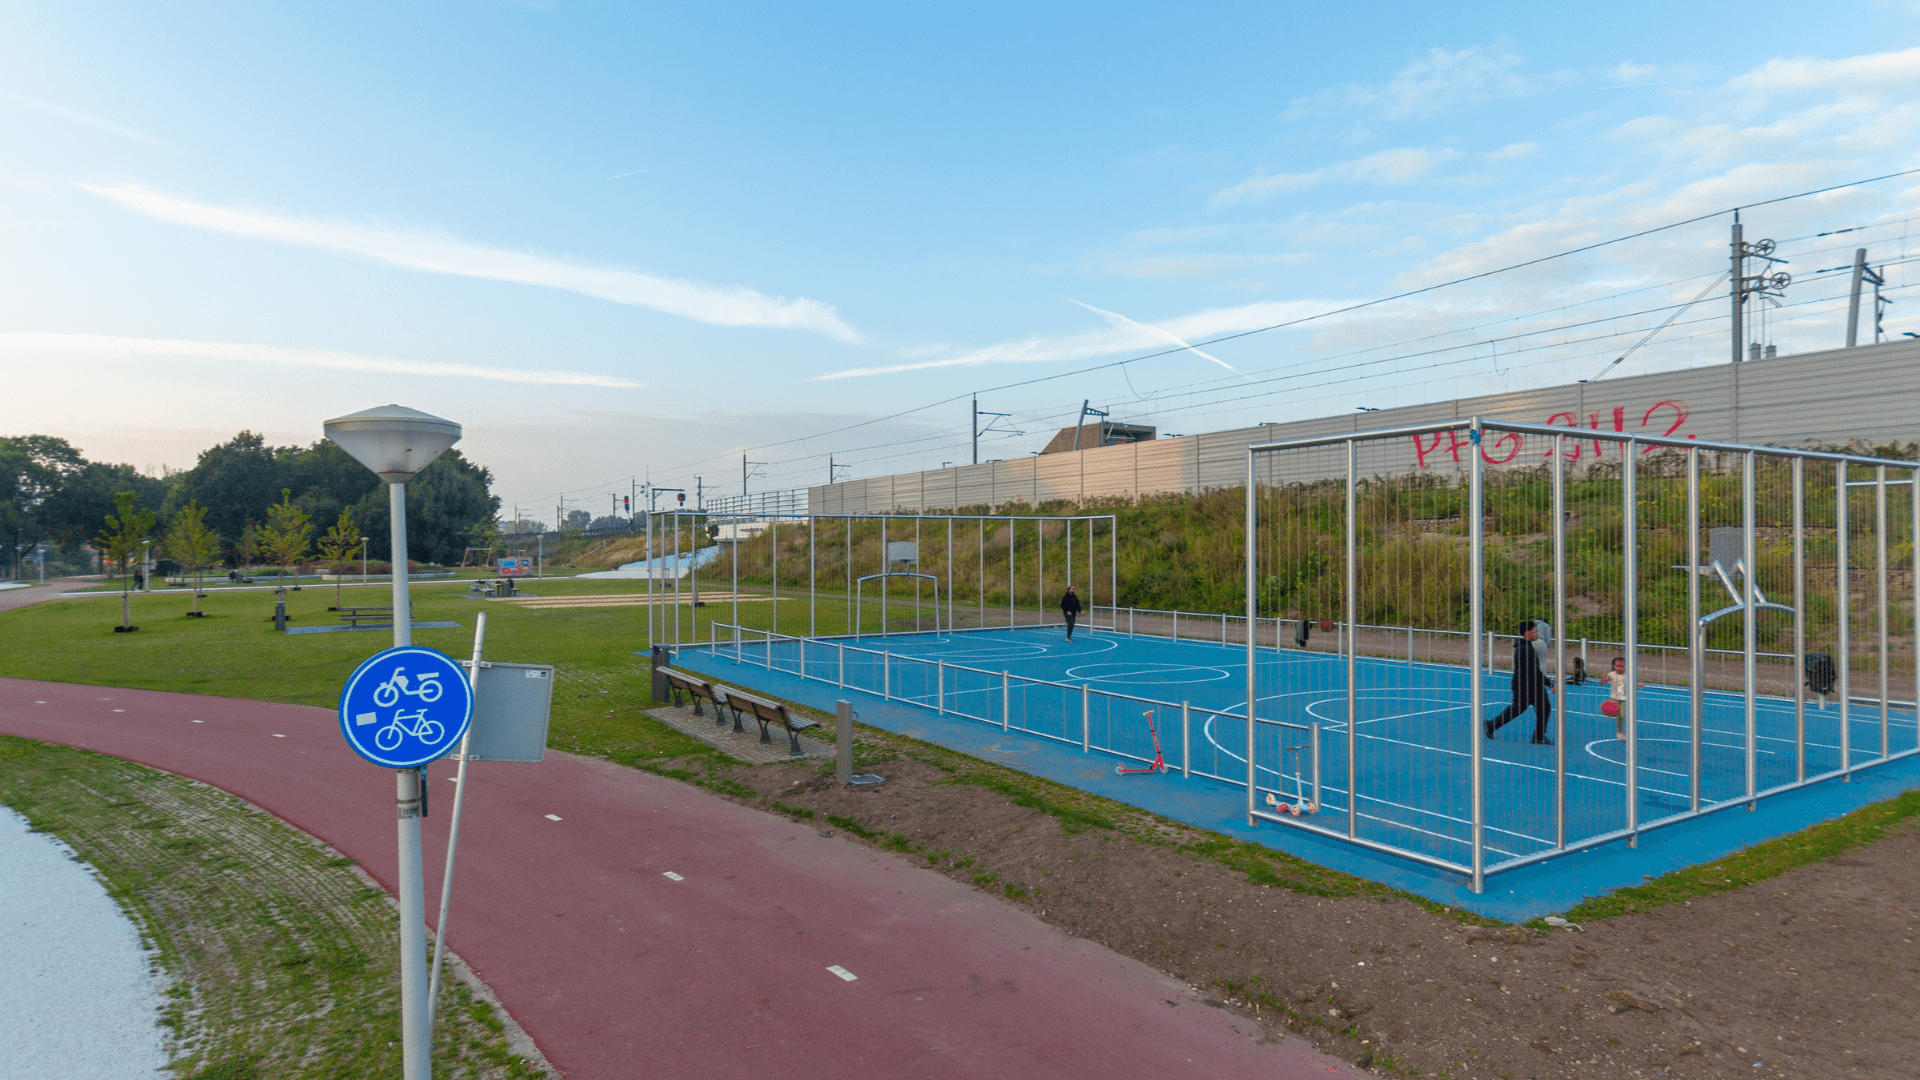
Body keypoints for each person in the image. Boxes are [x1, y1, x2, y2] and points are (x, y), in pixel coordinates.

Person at [1485, 621, 1553, 745]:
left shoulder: (1526, 646)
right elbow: (1534, 672)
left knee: (1544, 708)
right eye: (1535, 630)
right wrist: (1550, 684)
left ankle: (1538, 736)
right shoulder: (1525, 649)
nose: (1537, 633)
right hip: (1524, 686)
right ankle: (1491, 725)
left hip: (1531, 685)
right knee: (1518, 709)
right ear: (1528, 633)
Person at [1600, 657, 1637, 740]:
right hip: (1615, 699)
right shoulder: (1611, 674)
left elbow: (1631, 686)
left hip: (1624, 698)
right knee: (1618, 717)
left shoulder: (1628, 675)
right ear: (1613, 666)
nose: (1620, 668)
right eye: (1617, 666)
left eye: (1622, 666)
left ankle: (1629, 732)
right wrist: (1603, 677)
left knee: (1624, 715)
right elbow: (1602, 683)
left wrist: (1636, 686)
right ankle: (1619, 733)